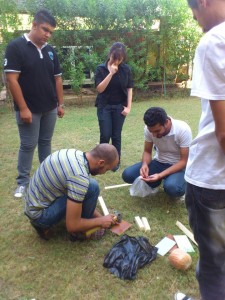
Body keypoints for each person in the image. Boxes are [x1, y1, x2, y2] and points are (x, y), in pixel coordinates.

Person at [176, 1, 225, 299]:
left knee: (214, 266)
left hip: (212, 180)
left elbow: (223, 132)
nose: (199, 24)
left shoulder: (214, 41)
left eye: (195, 17)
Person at [4, 9, 64, 198]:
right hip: (29, 110)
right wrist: (23, 108)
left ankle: (46, 177)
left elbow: (57, 79)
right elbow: (12, 80)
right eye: (45, 30)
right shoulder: (16, 47)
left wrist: (60, 104)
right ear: (34, 25)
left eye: (51, 32)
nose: (48, 35)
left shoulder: (50, 51)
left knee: (45, 143)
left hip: (50, 108)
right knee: (28, 145)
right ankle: (23, 182)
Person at [24, 143, 119, 240]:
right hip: (40, 215)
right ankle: (79, 232)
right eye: (107, 169)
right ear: (101, 163)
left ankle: (84, 222)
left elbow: (79, 194)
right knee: (92, 187)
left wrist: (102, 217)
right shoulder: (79, 177)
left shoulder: (75, 154)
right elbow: (72, 225)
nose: (104, 173)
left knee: (92, 186)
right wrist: (100, 222)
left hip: (32, 204)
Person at [122, 107, 192, 198]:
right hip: (159, 162)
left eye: (157, 131)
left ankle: (180, 181)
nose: (154, 135)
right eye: (151, 132)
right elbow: (147, 151)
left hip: (179, 167)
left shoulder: (182, 129)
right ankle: (156, 181)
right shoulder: (149, 129)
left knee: (173, 188)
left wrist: (160, 175)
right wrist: (144, 165)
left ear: (166, 122)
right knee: (128, 175)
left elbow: (183, 161)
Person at [95, 42, 133, 172]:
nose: (116, 61)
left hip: (119, 107)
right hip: (104, 106)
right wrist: (110, 73)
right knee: (105, 135)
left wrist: (128, 107)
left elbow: (129, 89)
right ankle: (101, 160)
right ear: (110, 54)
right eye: (114, 58)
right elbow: (100, 89)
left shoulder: (126, 69)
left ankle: (116, 161)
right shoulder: (101, 69)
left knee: (116, 136)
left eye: (120, 59)